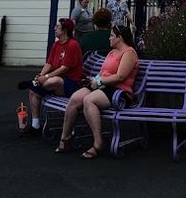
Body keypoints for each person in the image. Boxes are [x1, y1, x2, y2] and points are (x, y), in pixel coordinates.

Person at [57, 24, 139, 158]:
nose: (109, 38)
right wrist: (93, 80)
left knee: (89, 100)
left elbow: (120, 77)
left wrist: (99, 82)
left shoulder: (129, 53)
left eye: (112, 36)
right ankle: (65, 139)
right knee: (75, 98)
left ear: (120, 38)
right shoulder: (112, 52)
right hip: (104, 85)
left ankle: (98, 143)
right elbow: (102, 73)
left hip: (119, 90)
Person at [17, 18, 84, 135]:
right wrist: (41, 75)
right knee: (33, 91)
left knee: (55, 81)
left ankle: (34, 83)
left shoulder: (73, 45)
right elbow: (49, 64)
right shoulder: (56, 44)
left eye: (57, 27)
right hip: (53, 82)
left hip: (71, 83)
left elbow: (64, 68)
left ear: (65, 30)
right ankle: (35, 125)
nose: (54, 28)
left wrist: (46, 76)